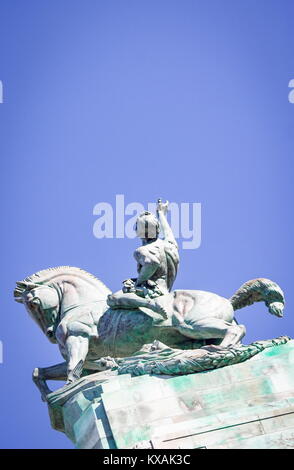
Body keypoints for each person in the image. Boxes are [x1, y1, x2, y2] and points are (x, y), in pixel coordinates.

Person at [107, 199, 179, 319]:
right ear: (157, 229)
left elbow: (152, 262)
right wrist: (161, 213)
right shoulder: (170, 246)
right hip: (166, 291)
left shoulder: (141, 251)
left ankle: (150, 305)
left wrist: (138, 283)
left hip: (153, 293)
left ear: (138, 231)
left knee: (112, 299)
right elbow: (168, 233)